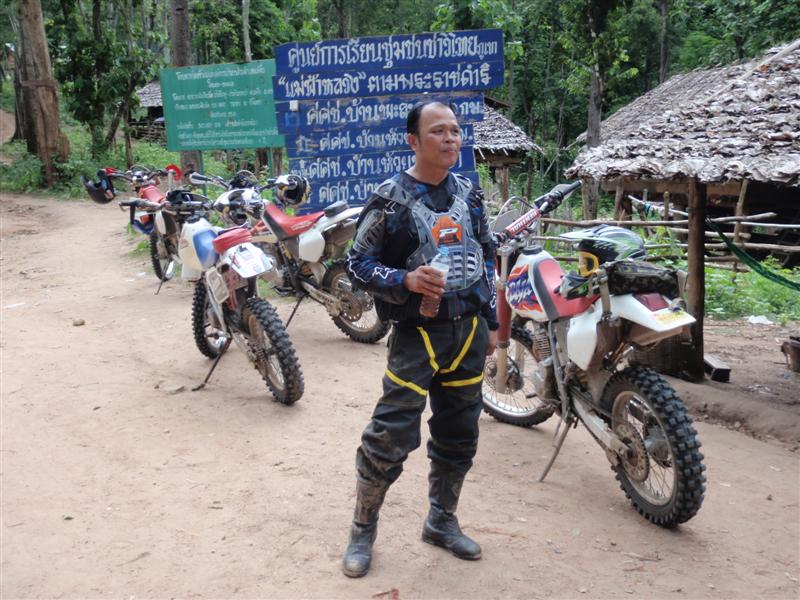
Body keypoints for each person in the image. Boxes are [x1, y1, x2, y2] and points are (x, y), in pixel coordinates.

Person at [341, 100, 499, 578]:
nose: (450, 139)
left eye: (454, 130)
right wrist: (404, 280)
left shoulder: (469, 194)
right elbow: (356, 264)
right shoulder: (389, 199)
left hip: (467, 334)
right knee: (390, 434)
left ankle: (441, 521)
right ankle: (362, 530)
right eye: (438, 131)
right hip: (417, 338)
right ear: (413, 141)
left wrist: (491, 321)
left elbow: (486, 256)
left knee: (460, 433)